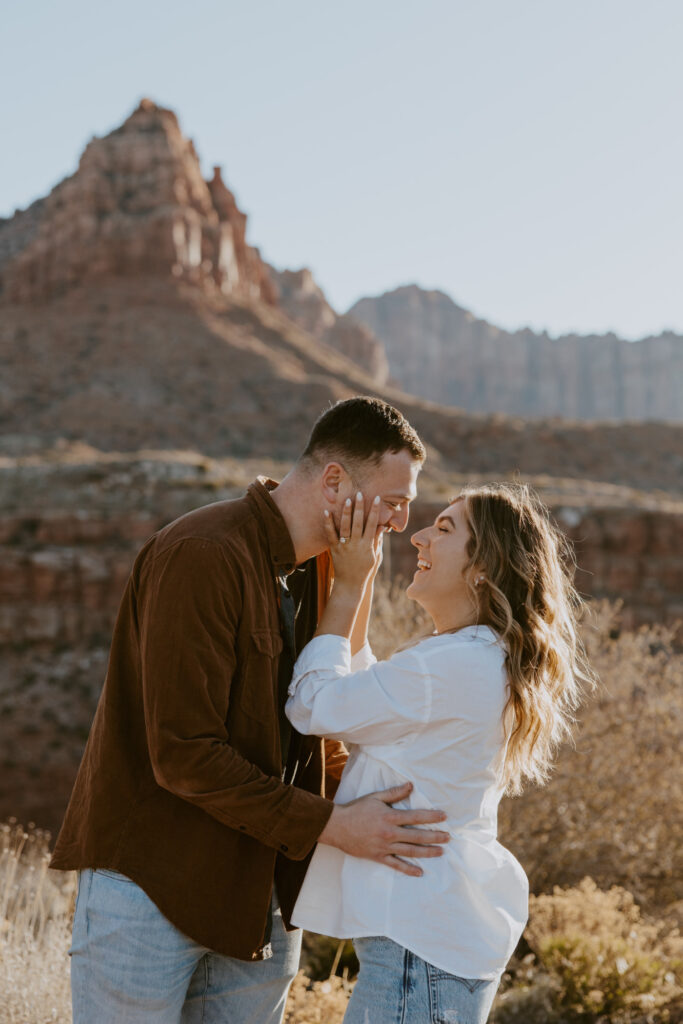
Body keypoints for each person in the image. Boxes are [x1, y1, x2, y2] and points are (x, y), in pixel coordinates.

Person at [49, 396, 452, 1024]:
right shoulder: (202, 553)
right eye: (394, 501)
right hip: (153, 888)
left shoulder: (332, 572)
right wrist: (333, 824)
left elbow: (329, 722)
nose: (401, 522)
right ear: (335, 480)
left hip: (261, 899)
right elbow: (185, 754)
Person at [286, 482, 595, 1024]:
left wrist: (349, 583)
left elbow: (314, 705)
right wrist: (361, 581)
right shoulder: (476, 658)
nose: (421, 537)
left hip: (418, 950)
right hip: (429, 941)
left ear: (483, 568)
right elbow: (366, 694)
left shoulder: (452, 665)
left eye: (446, 529)